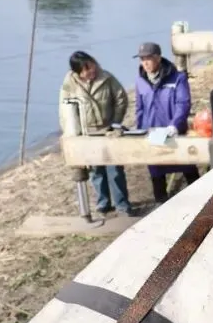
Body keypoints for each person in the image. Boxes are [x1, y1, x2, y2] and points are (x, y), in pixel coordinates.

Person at [58, 50, 133, 216]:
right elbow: (65, 110)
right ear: (78, 72)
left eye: (92, 66)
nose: (91, 71)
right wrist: (70, 133)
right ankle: (103, 204)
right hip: (86, 133)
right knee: (96, 171)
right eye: (86, 70)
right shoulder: (69, 84)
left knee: (115, 170)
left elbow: (121, 99)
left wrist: (115, 122)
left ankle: (122, 205)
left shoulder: (107, 78)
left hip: (107, 131)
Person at [134, 41, 200, 204]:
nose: (145, 63)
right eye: (142, 59)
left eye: (148, 58)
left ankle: (203, 201)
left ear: (158, 58)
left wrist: (174, 125)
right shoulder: (140, 81)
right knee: (157, 172)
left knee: (188, 167)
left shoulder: (177, 78)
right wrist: (140, 130)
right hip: (152, 135)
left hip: (175, 133)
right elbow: (140, 108)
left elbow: (182, 103)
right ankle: (161, 205)